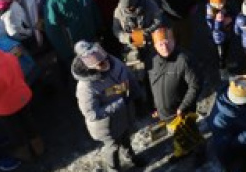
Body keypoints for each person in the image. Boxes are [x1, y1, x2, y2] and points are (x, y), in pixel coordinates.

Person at [71, 41, 145, 170]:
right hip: (107, 125)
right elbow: (92, 113)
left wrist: (136, 94)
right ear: (88, 65)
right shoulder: (85, 87)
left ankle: (130, 157)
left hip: (124, 116)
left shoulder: (111, 61)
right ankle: (113, 169)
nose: (105, 63)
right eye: (98, 62)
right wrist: (120, 103)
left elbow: (126, 75)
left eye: (101, 56)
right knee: (113, 148)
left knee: (126, 138)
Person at [146, 27, 203, 163]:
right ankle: (182, 150)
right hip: (164, 113)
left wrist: (183, 107)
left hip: (182, 112)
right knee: (177, 134)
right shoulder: (151, 61)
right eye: (160, 44)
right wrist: (154, 106)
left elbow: (195, 85)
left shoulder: (184, 59)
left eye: (167, 42)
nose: (164, 46)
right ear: (155, 46)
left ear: (174, 41)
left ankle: (200, 152)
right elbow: (150, 84)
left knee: (191, 134)